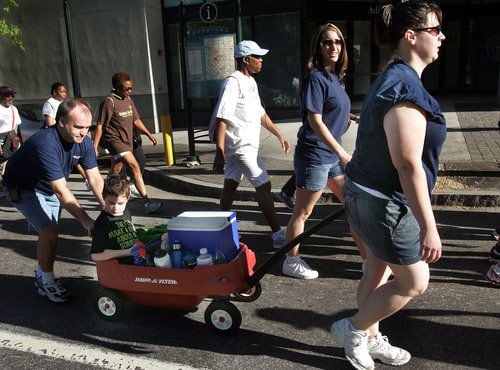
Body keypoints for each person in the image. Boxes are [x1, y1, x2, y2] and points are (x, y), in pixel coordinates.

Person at [330, 1, 446, 368]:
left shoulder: (394, 76)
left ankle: (370, 336)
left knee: (375, 271)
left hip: (367, 193)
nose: (442, 37)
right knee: (414, 281)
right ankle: (354, 328)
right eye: (434, 30)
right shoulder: (403, 88)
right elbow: (408, 164)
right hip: (384, 202)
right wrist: (429, 227)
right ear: (411, 36)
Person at [281, 23, 366, 280]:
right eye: (327, 42)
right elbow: (315, 120)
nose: (333, 47)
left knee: (354, 207)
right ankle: (290, 261)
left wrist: (349, 115)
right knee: (303, 213)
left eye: (338, 42)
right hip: (316, 155)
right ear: (318, 47)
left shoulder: (335, 78)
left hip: (330, 156)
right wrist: (342, 152)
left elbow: (328, 110)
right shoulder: (316, 78)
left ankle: (369, 261)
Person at [2, 98, 105, 303]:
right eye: (77, 127)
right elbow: (60, 190)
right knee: (49, 230)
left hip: (46, 186)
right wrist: (85, 220)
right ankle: (46, 282)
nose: (84, 132)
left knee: (51, 230)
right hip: (22, 187)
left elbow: (94, 177)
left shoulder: (83, 141)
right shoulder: (46, 144)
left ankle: (42, 272)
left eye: (87, 127)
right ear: (60, 122)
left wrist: (109, 209)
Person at [212, 40, 290, 248]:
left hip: (245, 144)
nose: (261, 60)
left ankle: (221, 227)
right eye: (257, 57)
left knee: (230, 185)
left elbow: (261, 114)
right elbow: (223, 118)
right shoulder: (232, 83)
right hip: (239, 145)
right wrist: (219, 151)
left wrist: (279, 134)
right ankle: (276, 235)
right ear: (246, 60)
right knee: (264, 185)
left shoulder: (251, 82)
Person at [93, 72, 162, 214]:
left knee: (115, 172)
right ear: (117, 88)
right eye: (126, 88)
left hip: (127, 140)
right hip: (115, 140)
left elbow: (136, 120)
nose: (130, 91)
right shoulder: (109, 102)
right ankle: (147, 203)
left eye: (131, 88)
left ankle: (104, 197)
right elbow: (100, 125)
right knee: (135, 166)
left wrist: (149, 134)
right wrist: (94, 146)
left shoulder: (128, 100)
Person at [276, 112, 360, 211]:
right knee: (303, 212)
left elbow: (339, 108)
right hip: (319, 142)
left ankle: (287, 192)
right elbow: (326, 112)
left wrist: (352, 118)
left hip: (326, 145)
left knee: (350, 203)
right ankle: (287, 192)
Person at [90, 175, 159, 264]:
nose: (115, 208)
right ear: (103, 197)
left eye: (120, 203)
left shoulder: (125, 212)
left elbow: (132, 233)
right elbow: (95, 255)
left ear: (128, 198)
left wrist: (139, 246)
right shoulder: (102, 223)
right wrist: (128, 252)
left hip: (139, 259)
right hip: (123, 268)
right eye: (111, 203)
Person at [41, 82, 89, 189]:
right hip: (57, 137)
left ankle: (86, 178)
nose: (64, 94)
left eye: (65, 92)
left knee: (76, 159)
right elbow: (50, 122)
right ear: (54, 92)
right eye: (61, 91)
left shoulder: (64, 103)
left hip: (67, 135)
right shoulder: (49, 103)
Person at [0, 85, 22, 168]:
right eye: (7, 95)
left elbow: (16, 127)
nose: (11, 97)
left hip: (12, 137)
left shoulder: (14, 109)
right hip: (1, 139)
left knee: (12, 162)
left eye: (12, 95)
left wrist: (18, 141)